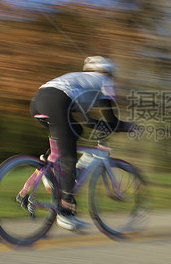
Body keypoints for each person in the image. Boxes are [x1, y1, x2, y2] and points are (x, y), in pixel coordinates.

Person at [30, 56, 133, 231]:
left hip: (38, 101)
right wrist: (128, 126)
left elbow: (87, 122)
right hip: (57, 102)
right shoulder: (104, 81)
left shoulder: (80, 82)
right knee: (69, 156)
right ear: (109, 72)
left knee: (75, 130)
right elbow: (112, 120)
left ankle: (48, 164)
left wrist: (105, 126)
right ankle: (65, 210)